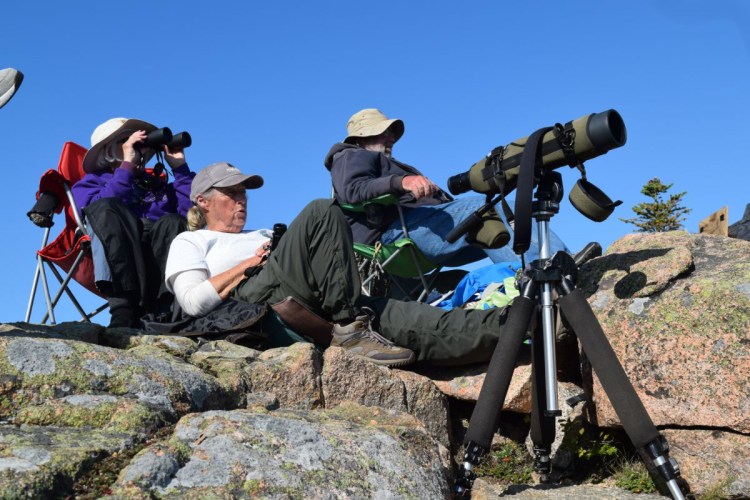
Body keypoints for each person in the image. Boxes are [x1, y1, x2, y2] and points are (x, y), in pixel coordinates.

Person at [165, 162, 514, 368]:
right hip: (258, 303)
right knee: (322, 209)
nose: (241, 200)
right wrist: (251, 262)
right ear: (203, 201)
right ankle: (350, 326)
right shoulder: (191, 241)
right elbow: (193, 303)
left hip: (328, 301)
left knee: (428, 324)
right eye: (232, 193)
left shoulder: (262, 231)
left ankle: (533, 324)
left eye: (244, 193)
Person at [324, 108, 569, 268]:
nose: (390, 137)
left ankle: (554, 264)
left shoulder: (385, 161)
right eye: (383, 132)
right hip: (395, 234)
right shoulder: (350, 155)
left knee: (499, 217)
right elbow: (352, 190)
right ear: (362, 136)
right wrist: (403, 182)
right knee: (484, 211)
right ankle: (544, 273)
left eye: (390, 132)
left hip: (419, 227)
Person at [72, 118, 195, 328]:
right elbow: (100, 214)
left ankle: (164, 310)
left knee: (173, 221)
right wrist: (126, 167)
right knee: (105, 207)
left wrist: (180, 169)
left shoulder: (157, 184)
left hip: (158, 253)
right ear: (107, 151)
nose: (138, 145)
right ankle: (123, 309)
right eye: (126, 140)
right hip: (121, 247)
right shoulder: (90, 183)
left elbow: (192, 213)